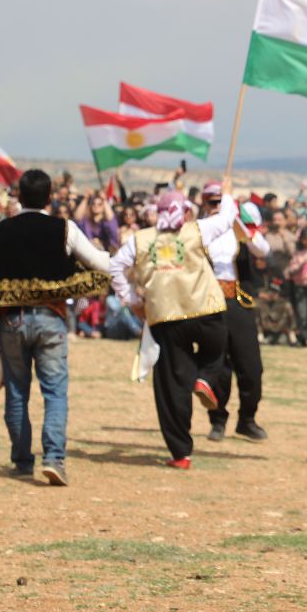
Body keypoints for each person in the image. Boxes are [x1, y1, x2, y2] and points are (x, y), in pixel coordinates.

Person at [0, 169, 111, 485]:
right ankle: (54, 459)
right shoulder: (65, 229)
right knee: (55, 392)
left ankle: (21, 461)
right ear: (50, 197)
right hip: (51, 319)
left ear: (18, 195)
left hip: (11, 320)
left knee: (17, 391)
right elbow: (102, 264)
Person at [110, 188, 237, 470]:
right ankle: (205, 378)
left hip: (167, 318)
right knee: (216, 353)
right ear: (187, 212)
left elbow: (115, 266)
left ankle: (181, 453)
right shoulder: (197, 230)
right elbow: (228, 217)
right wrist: (226, 194)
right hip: (206, 311)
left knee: (172, 382)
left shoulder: (140, 239)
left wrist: (131, 299)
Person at [197, 184, 270, 443]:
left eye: (220, 202)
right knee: (218, 366)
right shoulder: (198, 229)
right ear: (204, 204)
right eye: (212, 202)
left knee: (251, 367)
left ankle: (247, 419)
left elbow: (263, 250)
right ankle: (217, 419)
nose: (216, 207)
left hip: (239, 303)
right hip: (209, 304)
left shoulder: (237, 228)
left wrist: (242, 227)